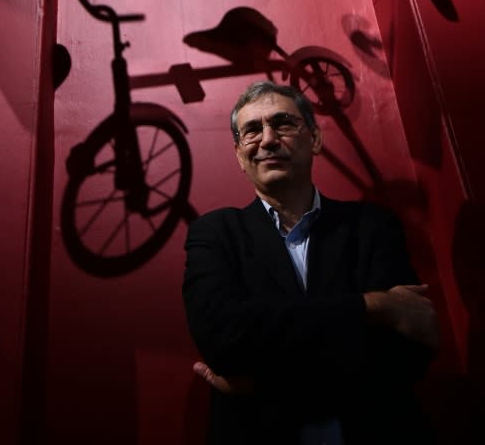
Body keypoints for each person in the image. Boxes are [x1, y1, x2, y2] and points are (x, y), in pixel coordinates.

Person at [182, 80, 439, 445]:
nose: (268, 139)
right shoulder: (215, 233)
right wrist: (372, 306)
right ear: (240, 155)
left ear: (315, 139)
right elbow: (223, 339)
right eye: (252, 130)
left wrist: (260, 380)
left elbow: (404, 354)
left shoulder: (371, 226)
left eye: (283, 123)